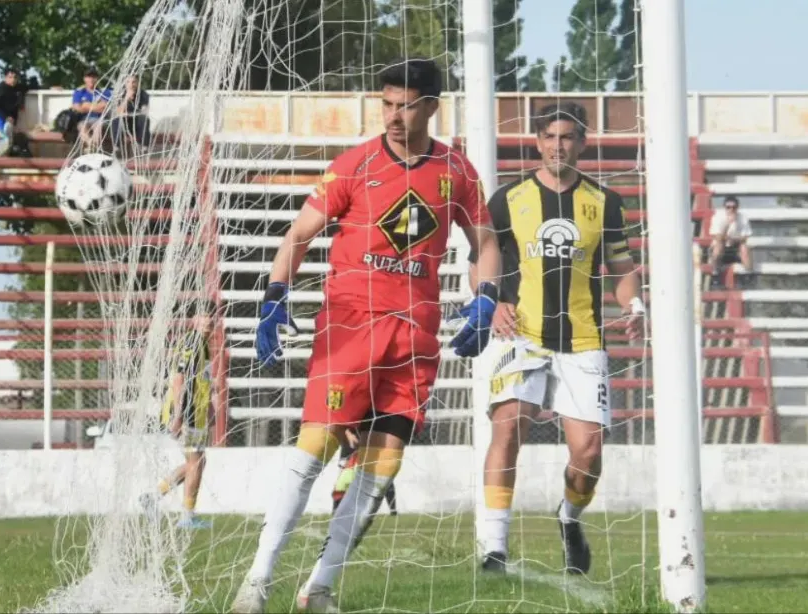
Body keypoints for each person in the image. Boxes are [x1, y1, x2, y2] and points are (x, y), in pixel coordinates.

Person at [232, 57, 501, 614]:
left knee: (384, 464)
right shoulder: (355, 165)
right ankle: (257, 583)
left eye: (406, 104)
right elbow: (298, 235)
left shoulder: (458, 171)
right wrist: (274, 297)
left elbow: (486, 244)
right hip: (351, 325)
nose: (394, 116)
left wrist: (487, 295)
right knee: (314, 449)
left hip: (416, 337)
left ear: (431, 106)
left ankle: (320, 587)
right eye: (386, 103)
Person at [469, 102, 645, 576]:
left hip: (583, 339)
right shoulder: (508, 199)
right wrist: (491, 301)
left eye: (567, 137)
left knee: (588, 452)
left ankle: (569, 518)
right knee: (508, 427)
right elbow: (480, 260)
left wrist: (634, 306)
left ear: (582, 143)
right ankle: (494, 549)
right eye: (550, 136)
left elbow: (623, 270)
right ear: (537, 141)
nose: (558, 145)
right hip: (520, 334)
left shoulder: (605, 202)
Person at [138, 313, 216, 530]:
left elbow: (202, 381)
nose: (209, 321)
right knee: (196, 462)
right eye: (204, 316)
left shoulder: (204, 345)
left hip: (196, 413)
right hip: (188, 413)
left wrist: (209, 408)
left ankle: (153, 496)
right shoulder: (192, 341)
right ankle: (187, 517)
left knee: (197, 462)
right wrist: (179, 416)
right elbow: (180, 378)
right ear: (194, 320)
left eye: (212, 317)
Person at [331, 428, 397, 516]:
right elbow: (343, 422)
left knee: (383, 475)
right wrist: (349, 435)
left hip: (372, 444)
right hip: (351, 445)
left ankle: (393, 510)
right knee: (344, 479)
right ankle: (336, 509)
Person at [708, 195, 752, 289]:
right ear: (724, 207)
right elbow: (717, 237)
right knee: (718, 246)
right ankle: (715, 275)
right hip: (722, 248)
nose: (731, 210)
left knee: (744, 247)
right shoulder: (718, 217)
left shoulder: (742, 218)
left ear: (737, 207)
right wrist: (728, 224)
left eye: (734, 207)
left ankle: (748, 275)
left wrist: (733, 240)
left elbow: (745, 237)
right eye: (728, 207)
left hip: (735, 247)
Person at [0, 69, 26, 157]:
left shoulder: (17, 89)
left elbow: (26, 87)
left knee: (10, 143)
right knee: (5, 141)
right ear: (5, 78)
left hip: (6, 123)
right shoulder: (0, 89)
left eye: (15, 77)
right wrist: (7, 116)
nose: (13, 80)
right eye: (10, 77)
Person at [71, 68, 112, 150]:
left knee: (98, 126)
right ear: (84, 79)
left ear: (97, 79)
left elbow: (105, 107)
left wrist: (86, 105)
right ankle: (92, 146)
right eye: (88, 77)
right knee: (82, 126)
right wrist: (97, 106)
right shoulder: (79, 91)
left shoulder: (104, 91)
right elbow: (77, 108)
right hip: (83, 119)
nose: (91, 79)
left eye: (94, 77)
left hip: (100, 119)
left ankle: (92, 149)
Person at [111, 74, 151, 149]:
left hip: (136, 122)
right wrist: (126, 99)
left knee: (144, 119)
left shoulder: (143, 94)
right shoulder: (120, 94)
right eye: (128, 82)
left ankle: (144, 146)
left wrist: (129, 113)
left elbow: (144, 111)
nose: (131, 84)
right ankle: (117, 147)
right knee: (115, 120)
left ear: (137, 83)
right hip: (125, 121)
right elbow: (118, 112)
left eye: (133, 82)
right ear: (125, 83)